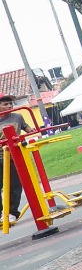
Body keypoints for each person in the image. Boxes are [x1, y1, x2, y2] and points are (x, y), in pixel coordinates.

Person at [0, 95, 30, 223]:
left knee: (15, 185)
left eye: (10, 104)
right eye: (5, 104)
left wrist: (30, 131)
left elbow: (26, 127)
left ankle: (12, 212)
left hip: (13, 155)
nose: (9, 107)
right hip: (1, 155)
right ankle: (1, 213)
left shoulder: (17, 117)